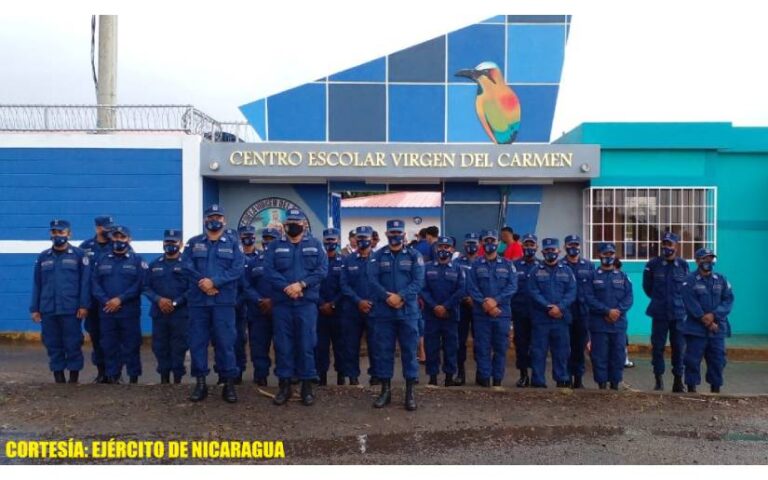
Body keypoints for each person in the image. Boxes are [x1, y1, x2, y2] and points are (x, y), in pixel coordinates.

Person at [264, 209, 328, 406]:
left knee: (306, 344)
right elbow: (269, 270)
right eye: (289, 221)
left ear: (304, 224)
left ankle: (306, 387)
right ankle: (284, 386)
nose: (293, 225)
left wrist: (301, 285)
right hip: (282, 304)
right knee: (283, 345)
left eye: (296, 222)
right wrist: (287, 287)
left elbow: (322, 270)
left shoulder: (315, 245)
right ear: (285, 224)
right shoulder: (275, 246)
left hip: (306, 304)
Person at [182, 204, 245, 403]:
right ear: (204, 220)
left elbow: (237, 268)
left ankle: (228, 384)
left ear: (224, 221)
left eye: (218, 217)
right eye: (210, 217)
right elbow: (186, 266)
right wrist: (203, 282)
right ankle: (200, 383)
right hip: (198, 302)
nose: (214, 220)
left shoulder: (233, 244)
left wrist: (215, 282)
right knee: (197, 343)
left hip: (223, 302)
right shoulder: (193, 243)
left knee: (226, 343)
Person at [368, 219, 425, 411]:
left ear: (403, 235)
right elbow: (372, 280)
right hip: (384, 313)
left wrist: (400, 296)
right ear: (386, 234)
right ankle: (385, 391)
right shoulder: (377, 256)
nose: (395, 236)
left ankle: (410, 393)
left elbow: (418, 281)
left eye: (398, 233)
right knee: (384, 352)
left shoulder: (414, 255)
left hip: (407, 312)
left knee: (409, 352)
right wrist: (387, 297)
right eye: (392, 233)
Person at [30, 219, 90, 384]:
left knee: (73, 343)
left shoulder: (79, 255)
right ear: (50, 234)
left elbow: (85, 283)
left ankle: (73, 377)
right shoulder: (43, 257)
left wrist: (84, 305)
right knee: (52, 343)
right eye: (54, 232)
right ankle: (58, 377)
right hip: (48, 308)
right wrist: (35, 308)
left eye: (61, 232)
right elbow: (37, 284)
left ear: (69, 234)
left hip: (71, 308)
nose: (57, 235)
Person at [91, 225, 147, 384]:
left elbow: (140, 284)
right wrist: (106, 300)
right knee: (108, 344)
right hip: (107, 310)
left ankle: (133, 377)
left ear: (129, 239)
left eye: (122, 237)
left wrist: (120, 299)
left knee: (132, 344)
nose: (119, 240)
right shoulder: (102, 259)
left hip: (128, 311)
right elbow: (94, 283)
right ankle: (112, 375)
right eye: (116, 237)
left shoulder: (137, 260)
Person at [466, 229, 518, 387]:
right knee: (482, 348)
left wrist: (495, 301)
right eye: (487, 241)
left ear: (498, 243)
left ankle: (497, 380)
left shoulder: (508, 264)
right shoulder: (476, 265)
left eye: (493, 241)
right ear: (482, 243)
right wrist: (485, 303)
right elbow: (471, 286)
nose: (490, 244)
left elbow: (512, 286)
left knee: (501, 348)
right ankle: (484, 379)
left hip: (501, 313)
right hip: (481, 313)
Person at [680, 248, 734, 393]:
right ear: (697, 261)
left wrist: (714, 315)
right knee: (692, 361)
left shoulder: (721, 279)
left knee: (718, 361)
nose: (708, 261)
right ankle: (692, 390)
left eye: (711, 259)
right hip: (696, 330)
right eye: (705, 258)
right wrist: (707, 321)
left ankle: (715, 391)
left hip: (717, 330)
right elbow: (691, 304)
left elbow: (728, 300)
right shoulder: (689, 281)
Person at [642, 232, 689, 392]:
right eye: (664, 244)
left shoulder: (683, 265)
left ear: (676, 246)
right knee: (657, 348)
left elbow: (686, 288)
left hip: (678, 314)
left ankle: (678, 380)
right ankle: (658, 380)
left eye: (670, 244)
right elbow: (647, 288)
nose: (666, 247)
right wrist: (659, 299)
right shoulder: (653, 264)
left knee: (679, 348)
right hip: (659, 313)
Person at [527, 238, 577, 388]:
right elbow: (533, 292)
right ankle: (538, 381)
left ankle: (561, 379)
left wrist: (559, 307)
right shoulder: (535, 271)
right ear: (542, 252)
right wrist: (549, 307)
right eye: (547, 250)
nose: (550, 252)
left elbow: (571, 292)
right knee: (538, 351)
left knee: (561, 351)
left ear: (559, 251)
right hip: (541, 318)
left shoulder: (567, 271)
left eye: (553, 250)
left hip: (560, 318)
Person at [583, 243, 634, 390]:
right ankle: (601, 386)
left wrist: (617, 312)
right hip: (599, 324)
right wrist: (606, 311)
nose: (608, 256)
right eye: (605, 254)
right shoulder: (592, 276)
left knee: (618, 355)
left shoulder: (623, 276)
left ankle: (615, 384)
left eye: (611, 254)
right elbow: (589, 298)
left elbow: (629, 298)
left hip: (618, 324)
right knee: (599, 356)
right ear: (599, 255)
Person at [143, 229, 190, 384]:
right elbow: (146, 287)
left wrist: (176, 302)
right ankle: (164, 378)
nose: (170, 244)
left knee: (179, 346)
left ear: (180, 244)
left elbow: (192, 288)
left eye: (173, 242)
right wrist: (158, 300)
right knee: (160, 346)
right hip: (159, 313)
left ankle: (177, 379)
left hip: (180, 314)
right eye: (167, 241)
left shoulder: (188, 264)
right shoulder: (154, 264)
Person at [421, 236, 464, 386]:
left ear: (452, 249)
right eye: (440, 246)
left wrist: (446, 306)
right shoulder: (427, 268)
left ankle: (449, 377)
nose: (443, 249)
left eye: (447, 247)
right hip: (431, 314)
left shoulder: (458, 269)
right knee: (431, 347)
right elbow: (423, 289)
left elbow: (461, 290)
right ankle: (432, 377)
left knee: (451, 347)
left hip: (450, 315)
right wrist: (435, 306)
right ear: (435, 248)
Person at [79, 215, 114, 383]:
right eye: (106, 228)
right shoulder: (85, 247)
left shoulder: (117, 244)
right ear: (98, 228)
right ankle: (101, 372)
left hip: (111, 301)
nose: (109, 231)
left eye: (110, 228)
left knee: (112, 338)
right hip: (92, 301)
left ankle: (113, 372)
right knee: (96, 336)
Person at [339, 226, 376, 386]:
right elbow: (344, 284)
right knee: (351, 345)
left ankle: (376, 375)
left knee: (375, 344)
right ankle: (352, 377)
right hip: (352, 309)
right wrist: (358, 301)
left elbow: (383, 284)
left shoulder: (378, 259)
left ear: (371, 239)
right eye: (359, 238)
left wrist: (370, 302)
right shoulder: (348, 260)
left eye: (365, 238)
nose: (362, 241)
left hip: (374, 309)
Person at [242, 228, 279, 386]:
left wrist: (273, 301)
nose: (268, 242)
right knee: (258, 346)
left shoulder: (285, 261)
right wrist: (259, 300)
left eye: (272, 239)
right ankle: (261, 375)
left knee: (283, 345)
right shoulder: (254, 262)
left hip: (279, 310)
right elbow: (246, 285)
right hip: (258, 311)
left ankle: (284, 377)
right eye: (266, 239)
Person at [560, 234, 595, 389]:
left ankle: (578, 378)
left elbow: (593, 289)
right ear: (565, 247)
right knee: (564, 346)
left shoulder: (588, 266)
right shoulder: (559, 265)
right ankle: (566, 377)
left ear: (580, 247)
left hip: (582, 312)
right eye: (570, 245)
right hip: (565, 311)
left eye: (576, 245)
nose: (573, 248)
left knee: (580, 347)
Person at [511, 233, 540, 387]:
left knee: (537, 345)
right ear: (522, 246)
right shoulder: (514, 265)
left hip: (538, 313)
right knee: (521, 344)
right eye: (526, 245)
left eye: (532, 245)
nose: (529, 247)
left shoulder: (542, 265)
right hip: (520, 312)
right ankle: (523, 375)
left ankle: (536, 375)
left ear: (537, 247)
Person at [316, 228, 344, 386]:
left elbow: (345, 286)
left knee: (340, 346)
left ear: (338, 241)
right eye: (327, 240)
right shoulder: (317, 261)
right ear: (323, 241)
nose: (330, 243)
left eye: (333, 240)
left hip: (339, 311)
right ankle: (322, 377)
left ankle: (341, 376)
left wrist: (333, 304)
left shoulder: (343, 261)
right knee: (321, 346)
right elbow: (313, 285)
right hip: (320, 311)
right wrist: (321, 303)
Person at [233, 225, 259, 384]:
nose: (248, 238)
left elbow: (254, 285)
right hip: (238, 307)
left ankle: (259, 374)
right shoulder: (235, 257)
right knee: (238, 340)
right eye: (244, 236)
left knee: (257, 342)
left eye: (250, 235)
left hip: (255, 307)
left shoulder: (260, 257)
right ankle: (238, 372)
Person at [455, 232, 480, 386]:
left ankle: (481, 373)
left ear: (479, 245)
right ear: (464, 245)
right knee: (460, 341)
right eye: (469, 243)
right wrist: (465, 296)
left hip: (479, 307)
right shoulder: (457, 262)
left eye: (474, 243)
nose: (471, 246)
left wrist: (475, 299)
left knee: (480, 342)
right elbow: (455, 283)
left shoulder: (483, 262)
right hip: (461, 306)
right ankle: (460, 373)